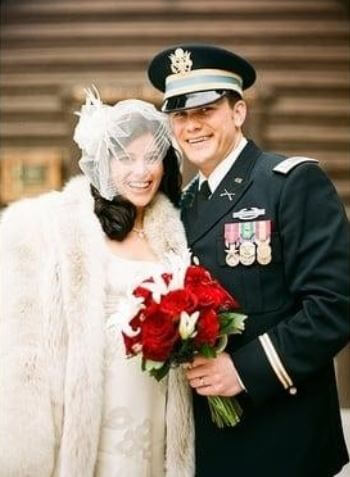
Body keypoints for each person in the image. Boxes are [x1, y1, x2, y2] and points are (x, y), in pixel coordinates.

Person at [147, 44, 350, 477]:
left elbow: (335, 304)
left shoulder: (291, 183)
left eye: (206, 109)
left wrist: (245, 369)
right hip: (209, 443)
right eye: (180, 115)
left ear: (238, 112)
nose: (192, 126)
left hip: (283, 437)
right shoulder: (182, 205)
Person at [0, 90, 194, 477]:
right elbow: (24, 350)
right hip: (92, 402)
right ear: (103, 163)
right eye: (126, 157)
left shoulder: (173, 234)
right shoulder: (58, 229)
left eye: (151, 156)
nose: (142, 171)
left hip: (154, 399)